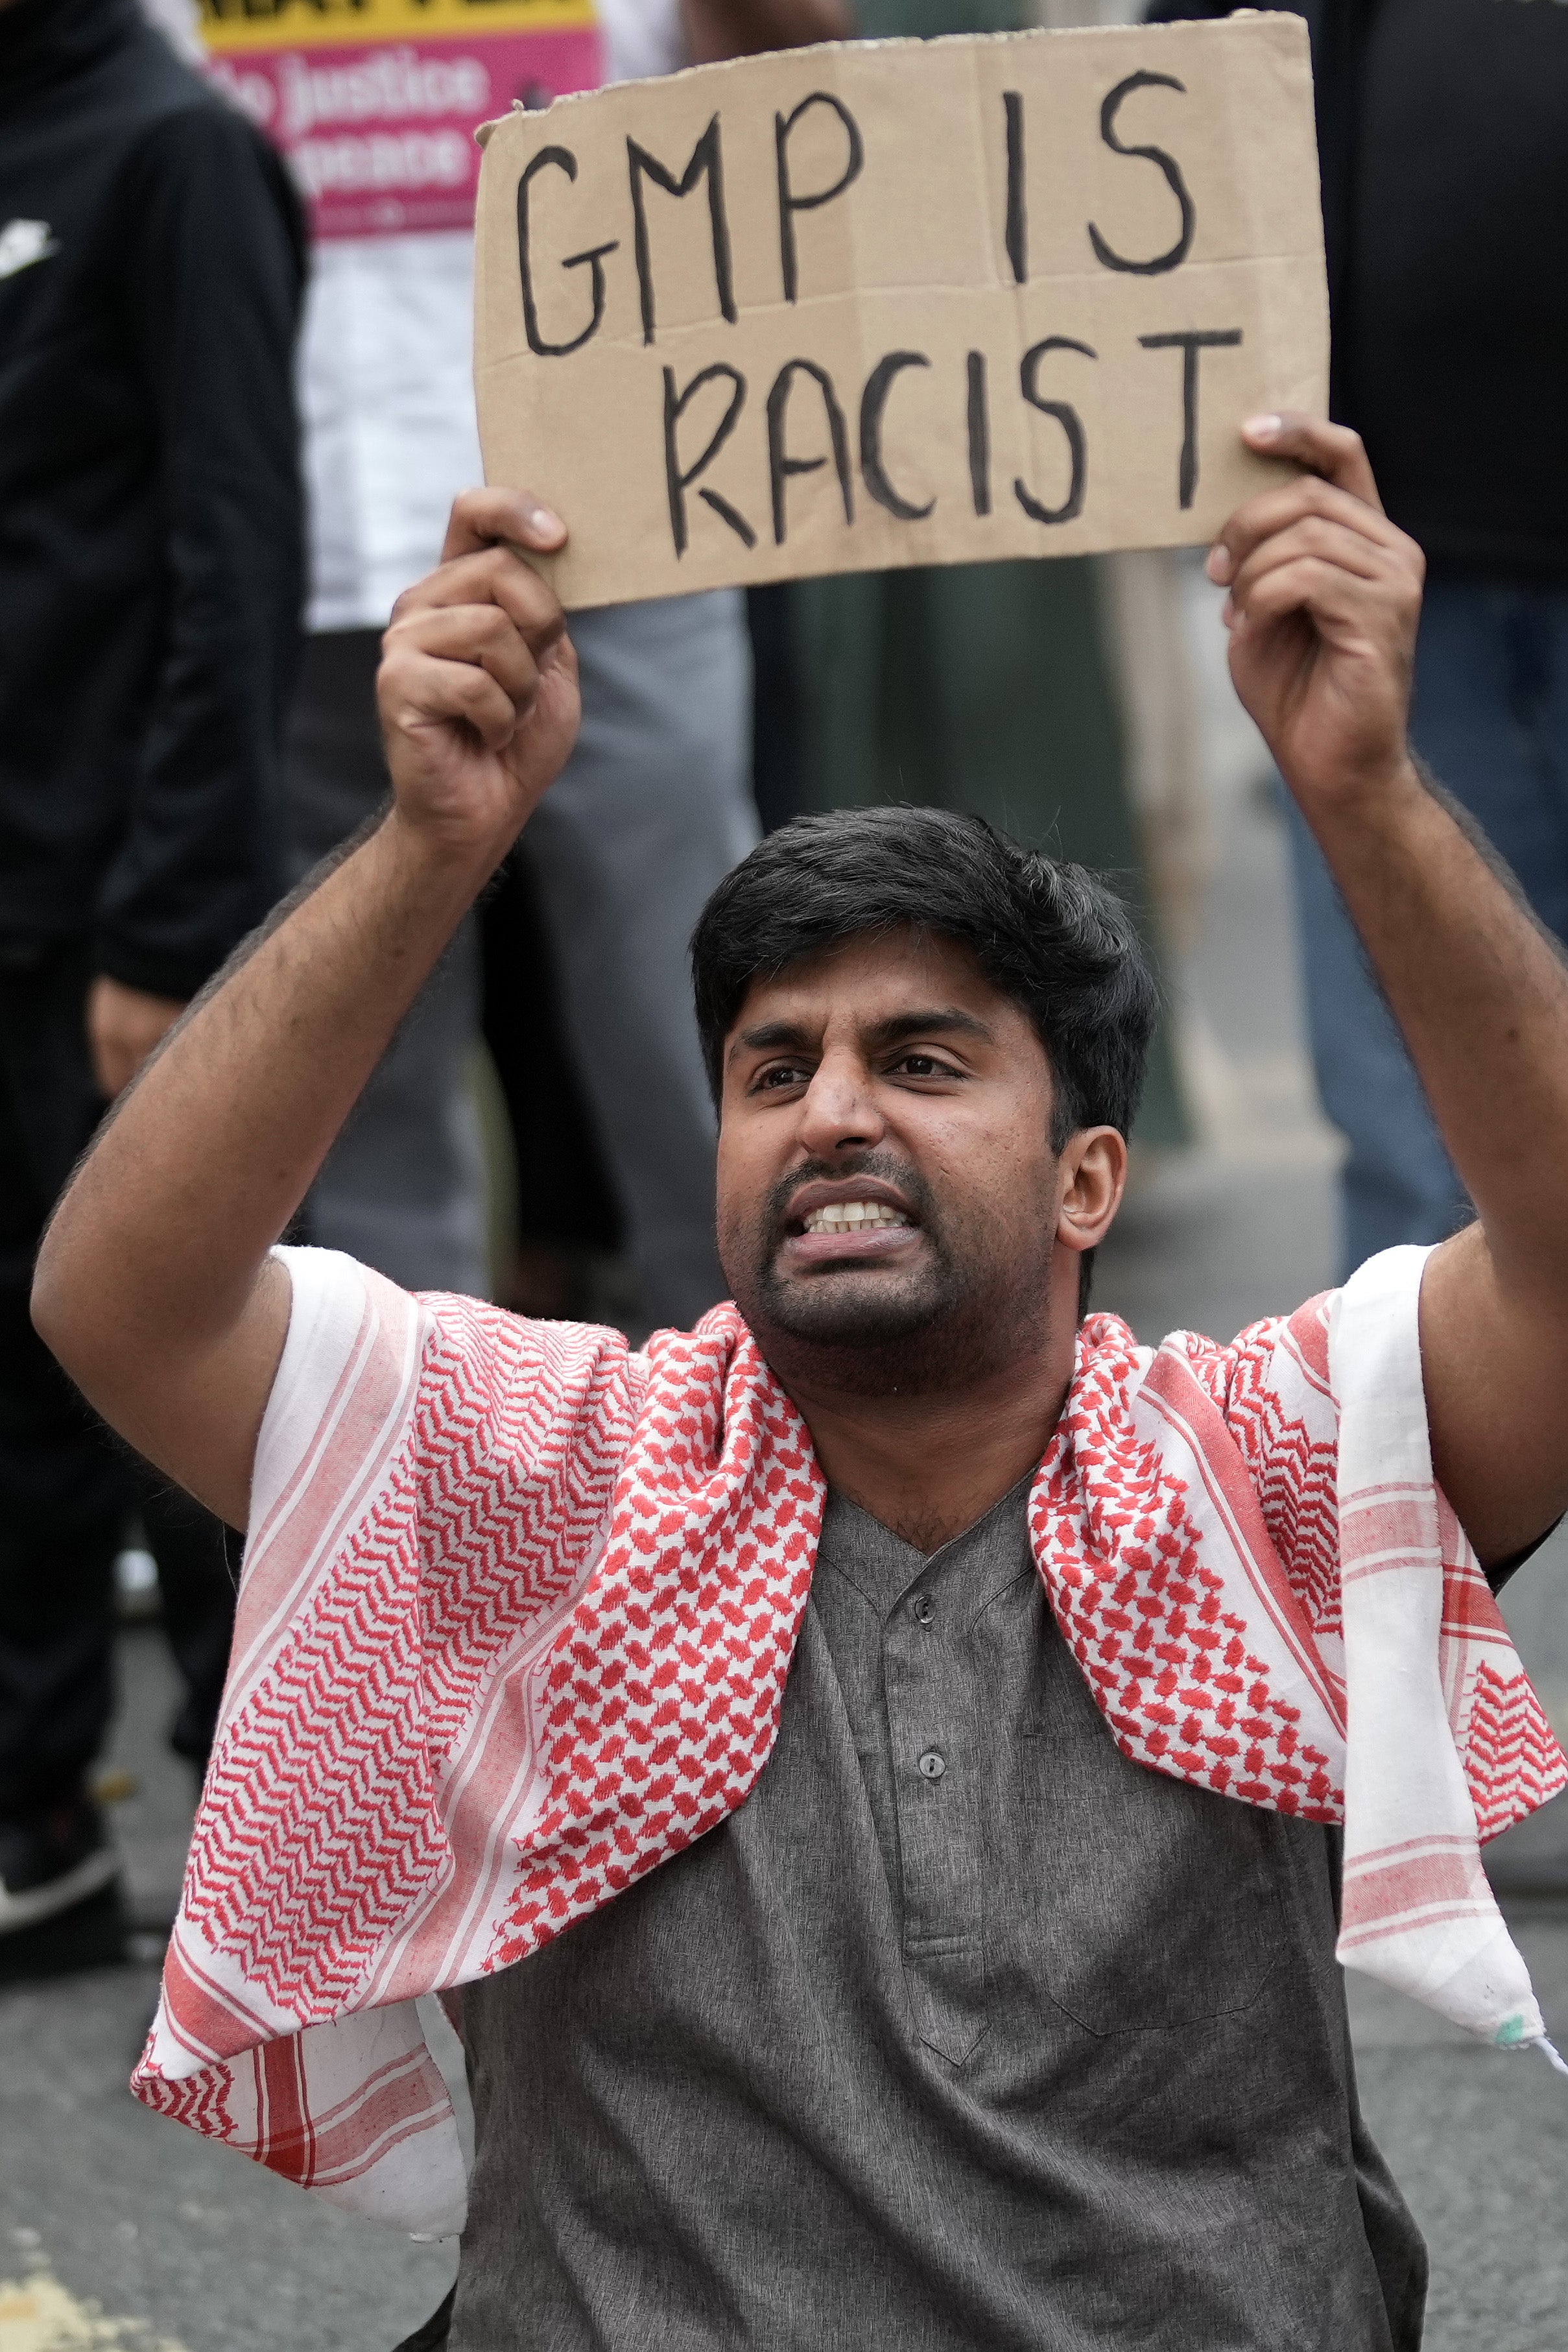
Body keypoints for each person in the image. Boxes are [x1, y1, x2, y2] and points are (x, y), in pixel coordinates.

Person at [34, 417, 1568, 2347]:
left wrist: (1363, 791)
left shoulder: (1249, 1465)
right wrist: (436, 843)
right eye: (774, 1072)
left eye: (924, 1062)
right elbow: (128, 1306)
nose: (833, 1111)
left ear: (1092, 1173)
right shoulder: (554, 1467)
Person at [234, 0, 843, 1317]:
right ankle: (420, 1474)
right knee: (358, 1064)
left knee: (702, 1017)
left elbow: (793, 64)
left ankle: (772, 1439)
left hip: (621, 499)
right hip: (306, 518)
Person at [0, 0, 305, 1974]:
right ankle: (37, 1821)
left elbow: (233, 548)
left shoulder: (175, 149)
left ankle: (275, 1837)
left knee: (170, 1374)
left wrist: (172, 923)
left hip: (107, 904)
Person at [1149, 0, 1568, 1272]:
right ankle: (1430, 1469)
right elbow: (1181, 84)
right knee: (1412, 1138)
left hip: (1387, 526)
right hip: (1377, 545)